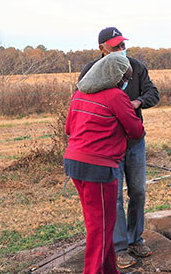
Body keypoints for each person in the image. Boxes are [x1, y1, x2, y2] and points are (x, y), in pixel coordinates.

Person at [78, 27, 160, 269]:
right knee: (113, 198)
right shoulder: (91, 71)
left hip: (134, 142)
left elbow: (153, 93)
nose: (121, 50)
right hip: (107, 145)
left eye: (122, 45)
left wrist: (135, 102)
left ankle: (136, 239)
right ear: (102, 49)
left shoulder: (136, 66)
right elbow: (81, 98)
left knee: (138, 191)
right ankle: (119, 248)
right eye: (115, 46)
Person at [64, 54, 144, 274]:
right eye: (124, 78)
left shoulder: (80, 93)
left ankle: (110, 270)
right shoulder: (115, 96)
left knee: (102, 224)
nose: (125, 83)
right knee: (100, 228)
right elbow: (136, 130)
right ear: (116, 77)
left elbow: (69, 129)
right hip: (97, 168)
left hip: (75, 163)